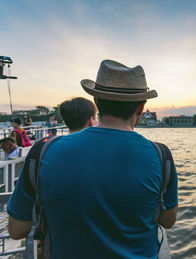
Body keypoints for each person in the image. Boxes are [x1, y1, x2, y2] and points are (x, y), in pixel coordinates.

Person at [7, 60, 178, 258]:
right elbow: (168, 221)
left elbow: (17, 229)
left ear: (96, 102)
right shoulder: (160, 156)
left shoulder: (43, 152)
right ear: (141, 108)